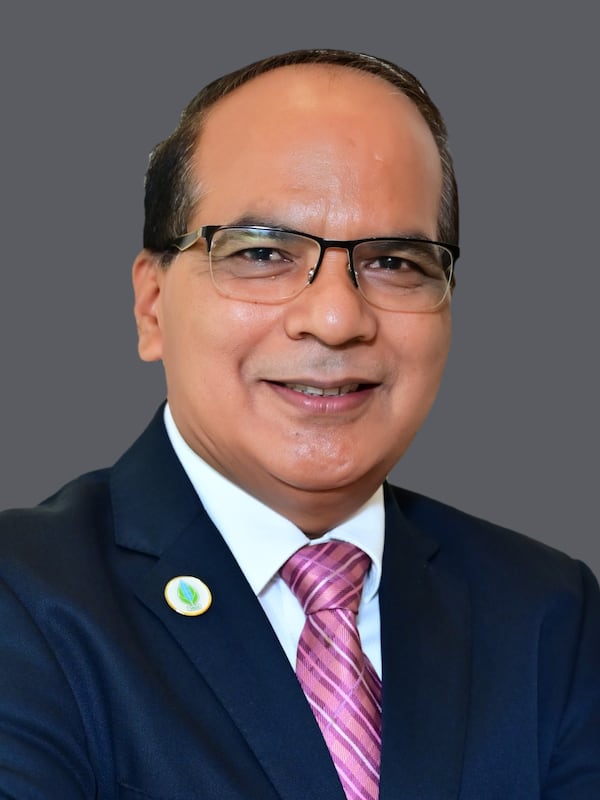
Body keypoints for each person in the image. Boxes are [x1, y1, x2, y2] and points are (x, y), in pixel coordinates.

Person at [0, 48, 598, 800]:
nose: (337, 318)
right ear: (152, 305)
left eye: (394, 263)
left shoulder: (549, 614)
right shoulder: (24, 599)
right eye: (262, 253)